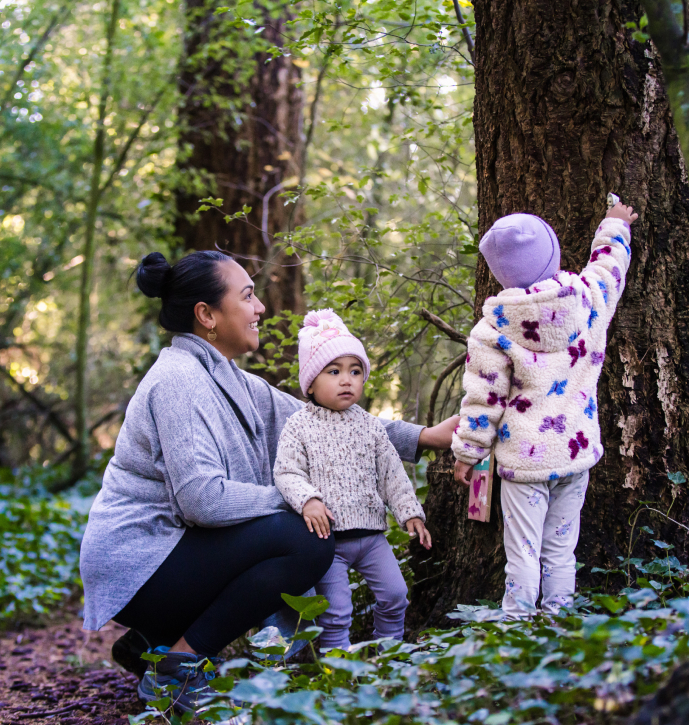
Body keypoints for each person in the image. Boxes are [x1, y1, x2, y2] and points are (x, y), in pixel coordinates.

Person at [79, 249, 460, 713]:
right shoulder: (178, 380)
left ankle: (152, 644)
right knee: (307, 538)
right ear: (207, 316)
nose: (260, 307)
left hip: (174, 553)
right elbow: (202, 499)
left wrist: (425, 436)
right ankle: (178, 664)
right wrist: (301, 497)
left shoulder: (231, 378)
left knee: (301, 528)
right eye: (247, 296)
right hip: (141, 561)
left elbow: (328, 420)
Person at [452, 201, 637, 618]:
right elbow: (609, 268)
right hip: (575, 453)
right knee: (560, 550)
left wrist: (468, 452)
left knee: (523, 553)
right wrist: (615, 225)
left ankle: (518, 628)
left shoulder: (492, 329)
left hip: (524, 461)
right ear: (552, 254)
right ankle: (559, 625)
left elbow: (484, 400)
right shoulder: (587, 300)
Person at [273, 309, 433, 650]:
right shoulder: (299, 426)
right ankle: (338, 667)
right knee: (336, 612)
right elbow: (286, 472)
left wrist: (410, 511)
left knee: (395, 595)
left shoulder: (371, 426)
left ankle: (387, 655)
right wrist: (308, 500)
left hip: (372, 537)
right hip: (328, 541)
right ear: (310, 382)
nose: (347, 380)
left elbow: (392, 473)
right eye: (334, 371)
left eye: (355, 371)